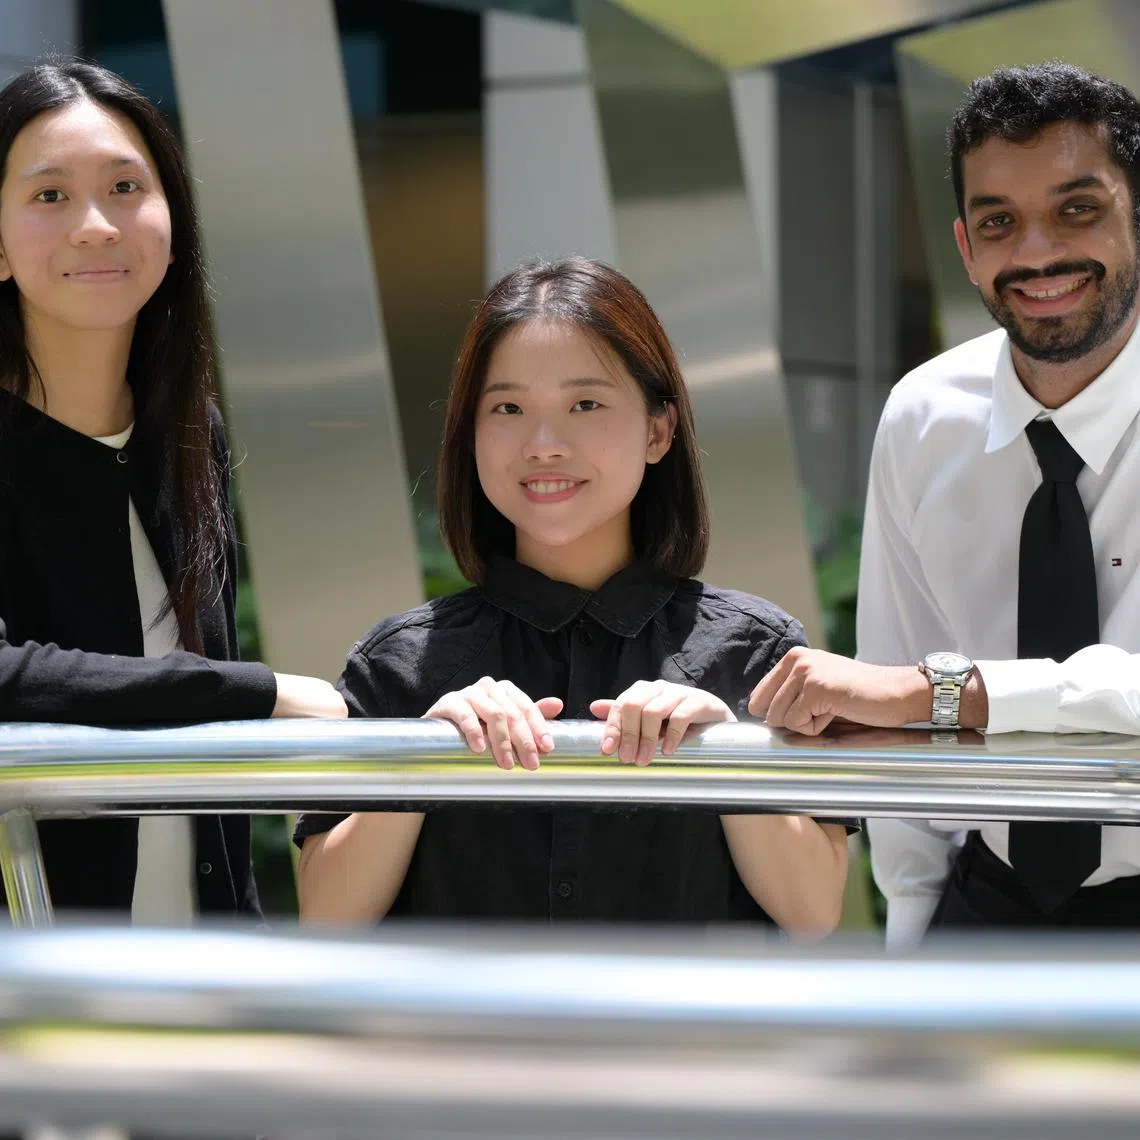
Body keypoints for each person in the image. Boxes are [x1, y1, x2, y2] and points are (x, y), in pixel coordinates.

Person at [294, 257, 850, 936]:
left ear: (658, 430)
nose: (544, 444)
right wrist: (425, 753)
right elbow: (326, 918)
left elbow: (816, 913)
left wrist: (723, 747)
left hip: (686, 1044)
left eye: (585, 404)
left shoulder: (757, 652)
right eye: (508, 408)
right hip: (463, 1043)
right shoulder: (401, 663)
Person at [750, 63, 1140, 943]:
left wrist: (943, 693)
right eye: (1000, 221)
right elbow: (892, 714)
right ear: (966, 248)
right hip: (989, 903)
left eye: (1078, 208)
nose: (1037, 252)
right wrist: (914, 935)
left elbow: (905, 690)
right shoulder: (925, 416)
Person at [0, 60, 346, 922]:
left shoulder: (190, 432)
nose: (95, 226)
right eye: (49, 196)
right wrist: (258, 691)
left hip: (200, 962)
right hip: (34, 963)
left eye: (126, 186)